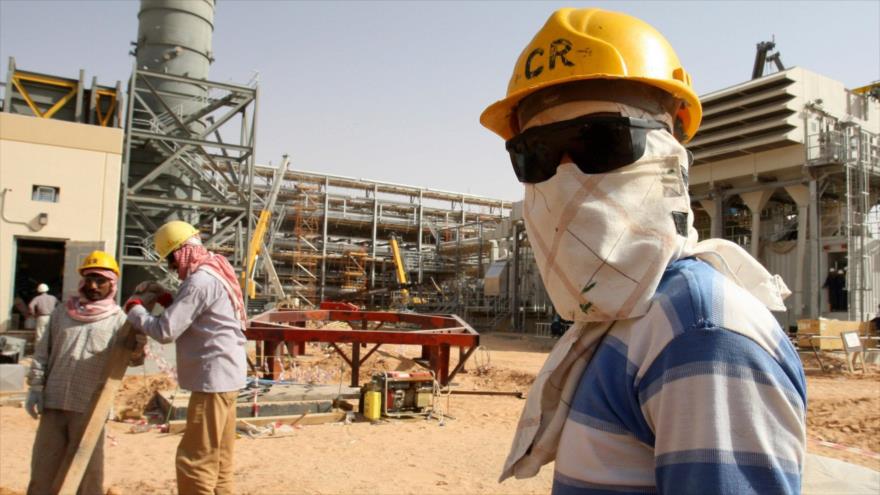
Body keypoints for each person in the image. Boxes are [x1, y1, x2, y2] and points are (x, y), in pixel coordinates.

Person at [480, 8, 805, 494]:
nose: (568, 175)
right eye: (538, 153)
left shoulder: (700, 336)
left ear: (673, 136)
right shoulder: (621, 318)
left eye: (603, 141)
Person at [125, 220, 247, 495]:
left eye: (170, 260)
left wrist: (135, 311)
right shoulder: (214, 271)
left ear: (178, 252)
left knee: (195, 462)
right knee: (219, 460)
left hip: (211, 381)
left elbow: (165, 330)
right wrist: (168, 298)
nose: (171, 267)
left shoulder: (199, 281)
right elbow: (201, 317)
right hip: (227, 378)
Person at [25, 251, 142, 495]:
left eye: (100, 280)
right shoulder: (61, 313)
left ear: (112, 284)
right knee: (44, 469)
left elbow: (132, 360)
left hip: (90, 408)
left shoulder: (119, 321)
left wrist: (139, 343)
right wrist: (36, 388)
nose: (93, 285)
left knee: (87, 475)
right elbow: (42, 353)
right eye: (89, 279)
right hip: (55, 401)